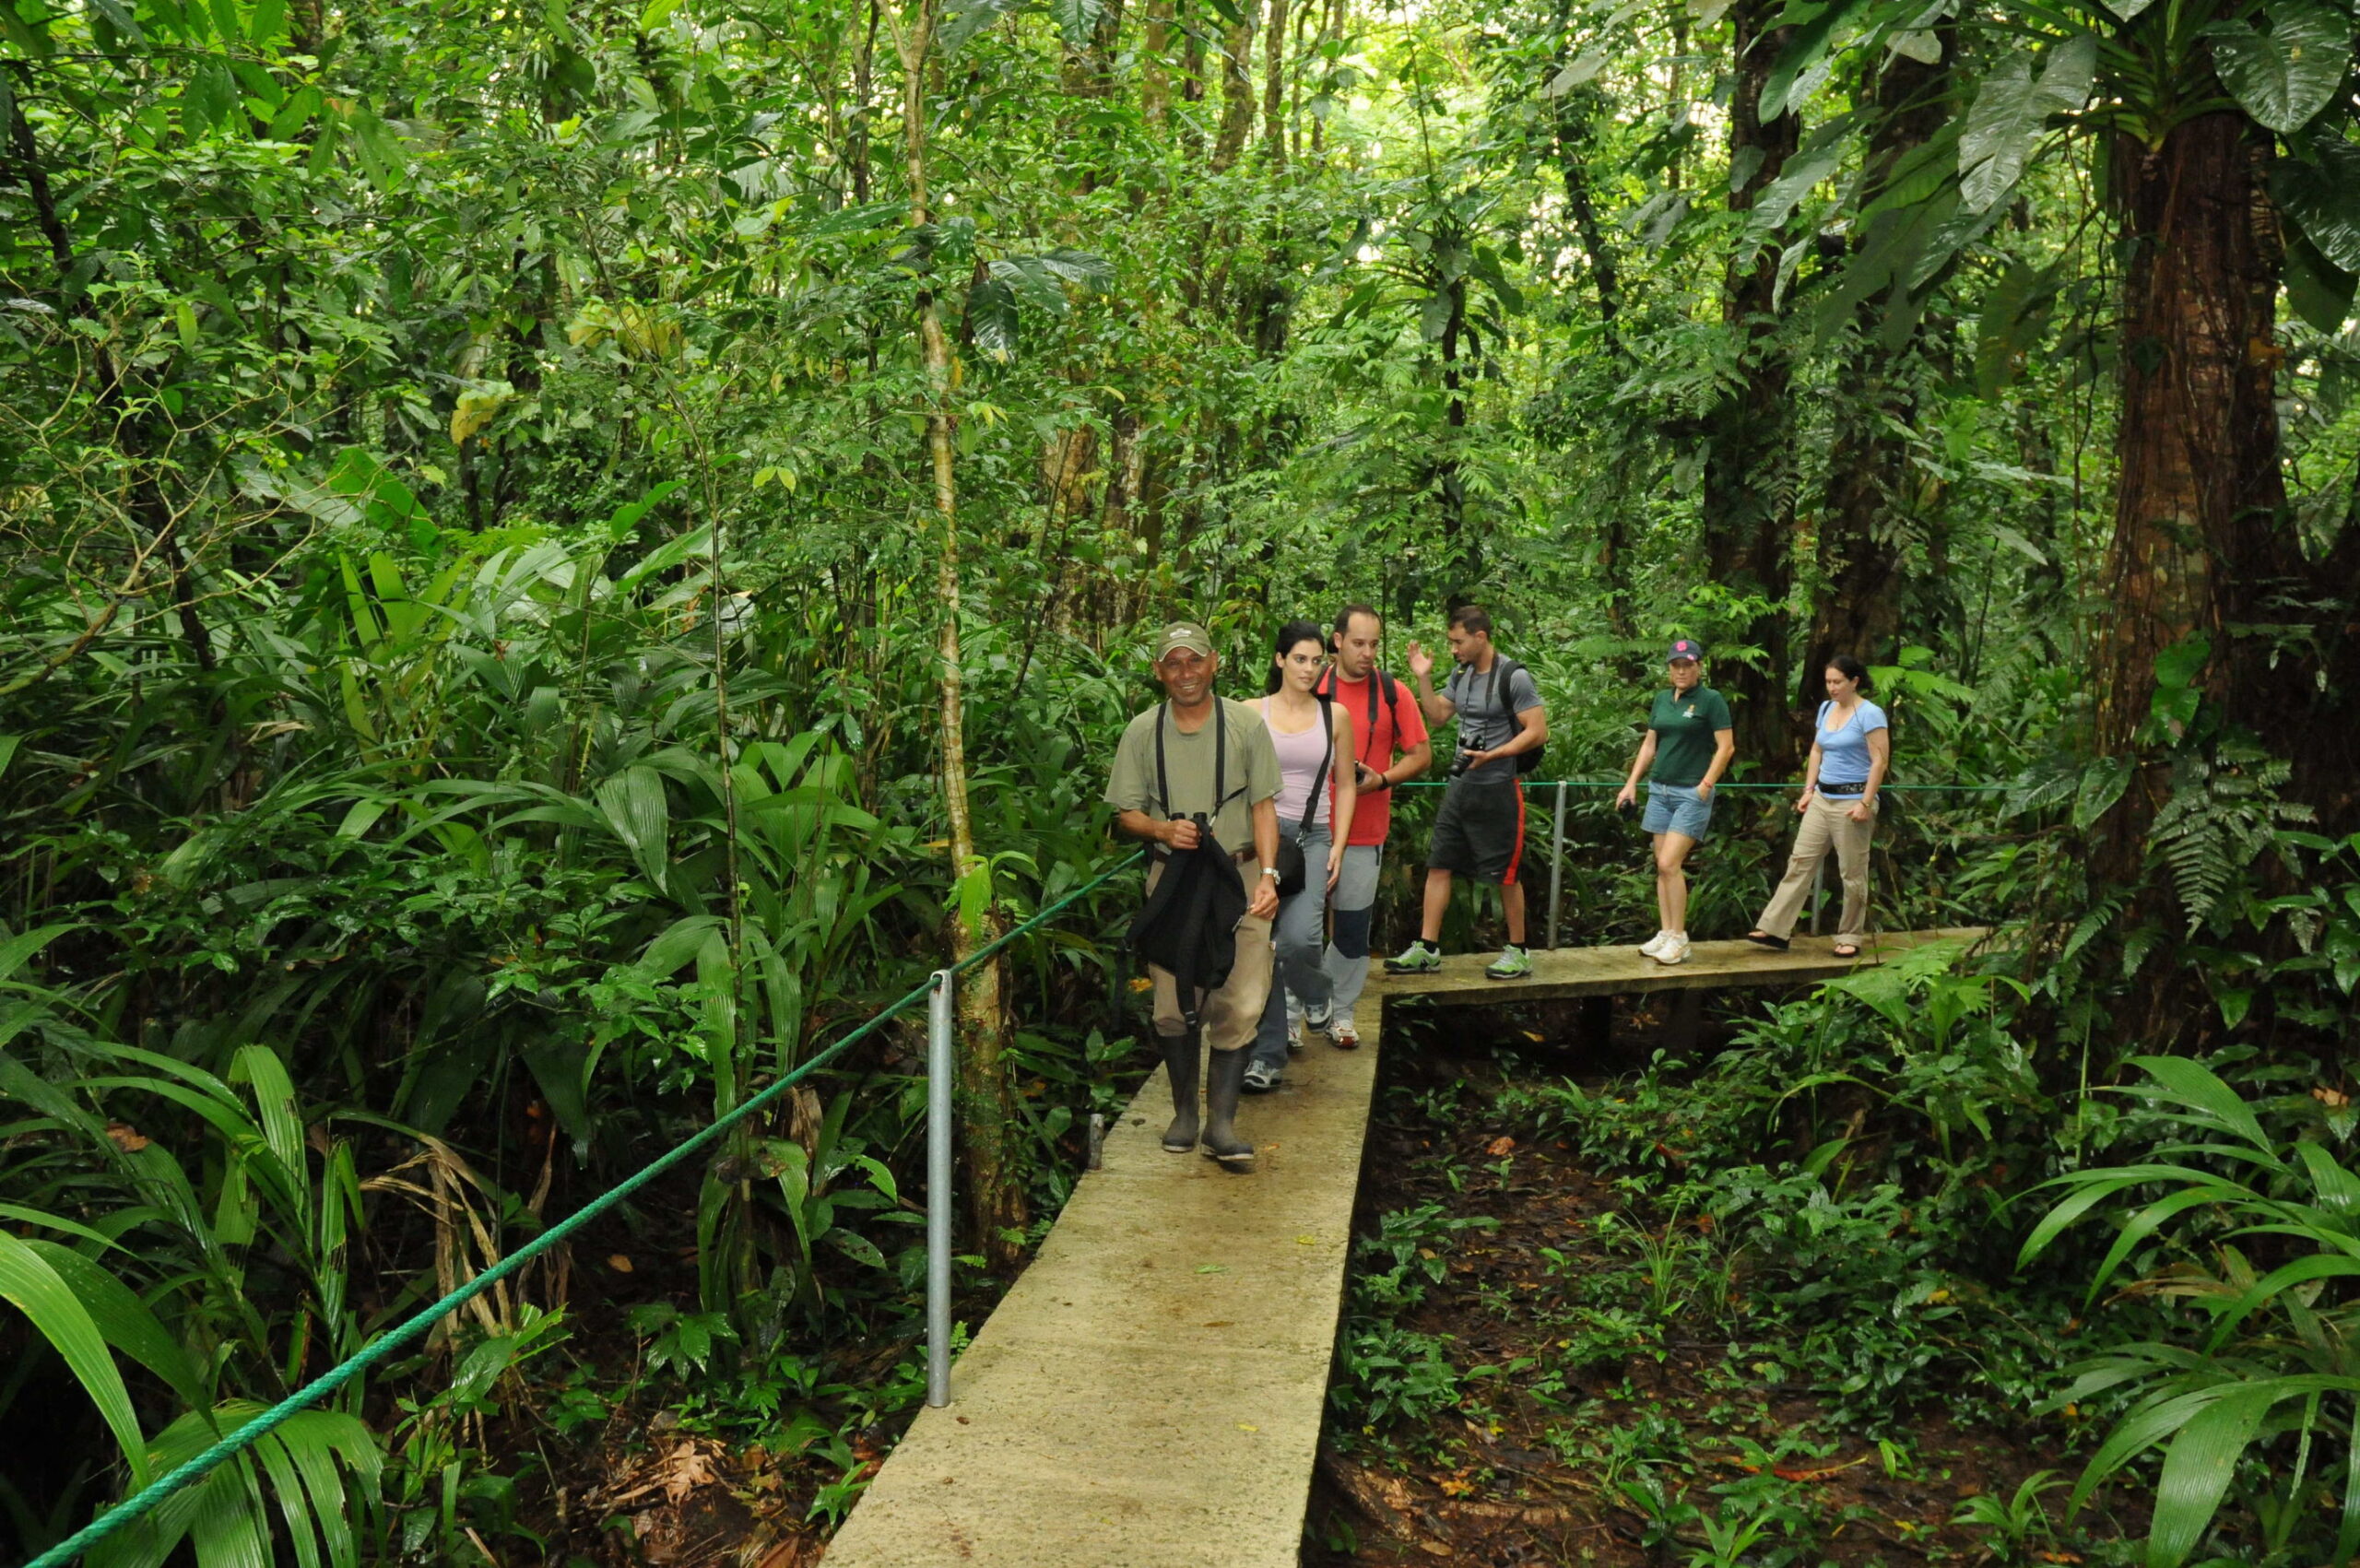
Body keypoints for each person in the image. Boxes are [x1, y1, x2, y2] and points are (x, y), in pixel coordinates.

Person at [1105, 621, 1282, 1170]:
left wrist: (1271, 876)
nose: (1186, 672)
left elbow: (1263, 807)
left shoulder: (1247, 726)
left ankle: (1221, 1124)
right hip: (1174, 880)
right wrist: (1161, 830)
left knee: (1242, 999)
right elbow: (1123, 812)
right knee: (1173, 1004)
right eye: (1174, 663)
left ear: (1215, 663)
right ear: (1158, 672)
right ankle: (1184, 1111)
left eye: (1195, 661)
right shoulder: (1141, 731)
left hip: (1241, 875)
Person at [1383, 605, 1547, 981]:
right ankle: (1427, 948)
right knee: (1440, 862)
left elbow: (1538, 730)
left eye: (1458, 641)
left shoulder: (1513, 676)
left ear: (1480, 637)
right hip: (1460, 787)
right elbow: (1439, 715)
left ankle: (1518, 951)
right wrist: (1423, 677)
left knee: (1505, 872)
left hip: (1498, 788)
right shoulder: (1463, 673)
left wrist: (1495, 754)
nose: (1454, 649)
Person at [1243, 621, 1358, 1092]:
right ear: (1279, 660)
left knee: (1298, 940)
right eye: (1300, 659)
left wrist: (1339, 845)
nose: (1309, 669)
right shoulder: (1251, 713)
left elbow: (1347, 783)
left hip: (1311, 838)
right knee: (1258, 947)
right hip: (1258, 838)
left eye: (1317, 661)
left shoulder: (1337, 716)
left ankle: (1317, 992)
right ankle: (1265, 1058)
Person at [1310, 603, 1431, 1048]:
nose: (1368, 653)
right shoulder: (1312, 685)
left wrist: (1381, 779)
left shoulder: (1392, 692)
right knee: (1297, 931)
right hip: (1307, 830)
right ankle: (1289, 1013)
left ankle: (1341, 1012)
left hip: (1364, 831)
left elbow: (1421, 755)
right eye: (1358, 643)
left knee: (1352, 929)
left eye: (1374, 644)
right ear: (1337, 641)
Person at [1747, 654, 1889, 958]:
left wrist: (1866, 802)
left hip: (1853, 800)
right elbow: (1816, 750)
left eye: (1838, 682)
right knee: (1800, 861)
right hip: (1823, 798)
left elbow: (1879, 761)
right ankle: (1775, 929)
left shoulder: (1870, 714)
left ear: (1854, 681)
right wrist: (1808, 790)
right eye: (1828, 682)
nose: (1832, 688)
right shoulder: (1826, 708)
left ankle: (1850, 936)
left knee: (1851, 872)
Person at [1614, 637, 1734, 966]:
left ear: (1699, 667)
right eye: (1676, 665)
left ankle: (1680, 938)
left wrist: (1707, 783)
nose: (1682, 671)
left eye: (1688, 665)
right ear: (1669, 668)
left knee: (1670, 863)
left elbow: (1726, 746)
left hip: (1690, 792)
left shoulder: (1711, 700)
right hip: (1660, 789)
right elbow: (1650, 744)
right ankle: (1666, 932)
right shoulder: (1662, 700)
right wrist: (1631, 785)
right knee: (1661, 864)